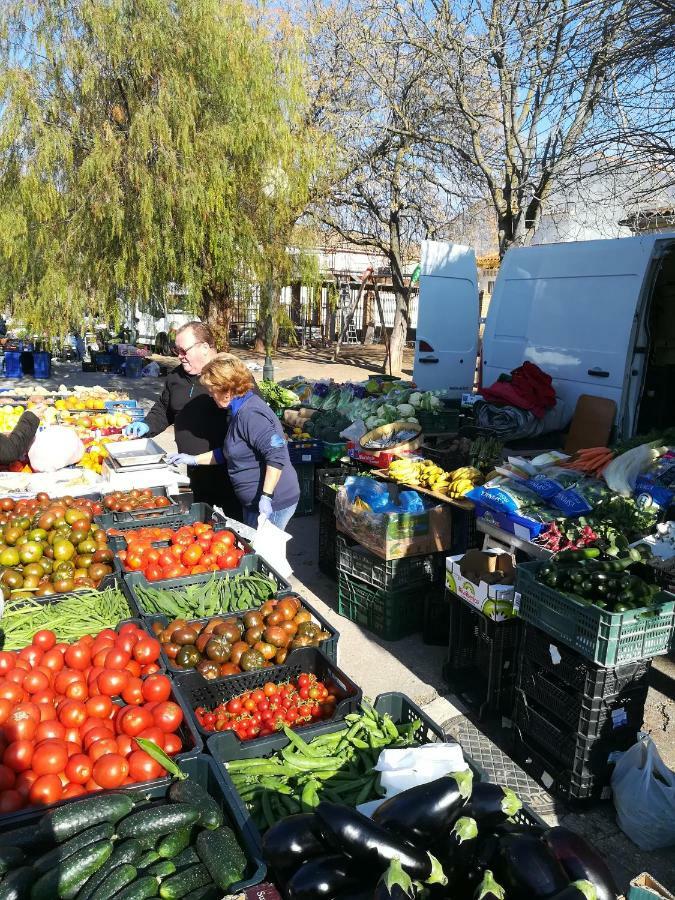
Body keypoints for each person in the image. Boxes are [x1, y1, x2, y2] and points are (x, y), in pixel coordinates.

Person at [123, 322, 242, 518]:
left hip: (230, 474)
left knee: (237, 533)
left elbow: (249, 420)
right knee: (203, 527)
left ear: (204, 347)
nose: (179, 355)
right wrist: (146, 425)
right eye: (176, 350)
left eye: (183, 350)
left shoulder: (232, 374)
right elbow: (164, 408)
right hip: (195, 473)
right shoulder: (176, 377)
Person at [167, 354, 300, 531]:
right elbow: (228, 452)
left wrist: (266, 496)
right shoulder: (235, 410)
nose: (210, 394)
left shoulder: (251, 414)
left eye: (212, 390)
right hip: (252, 503)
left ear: (227, 389)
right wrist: (192, 459)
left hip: (274, 503)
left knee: (264, 556)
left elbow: (276, 455)